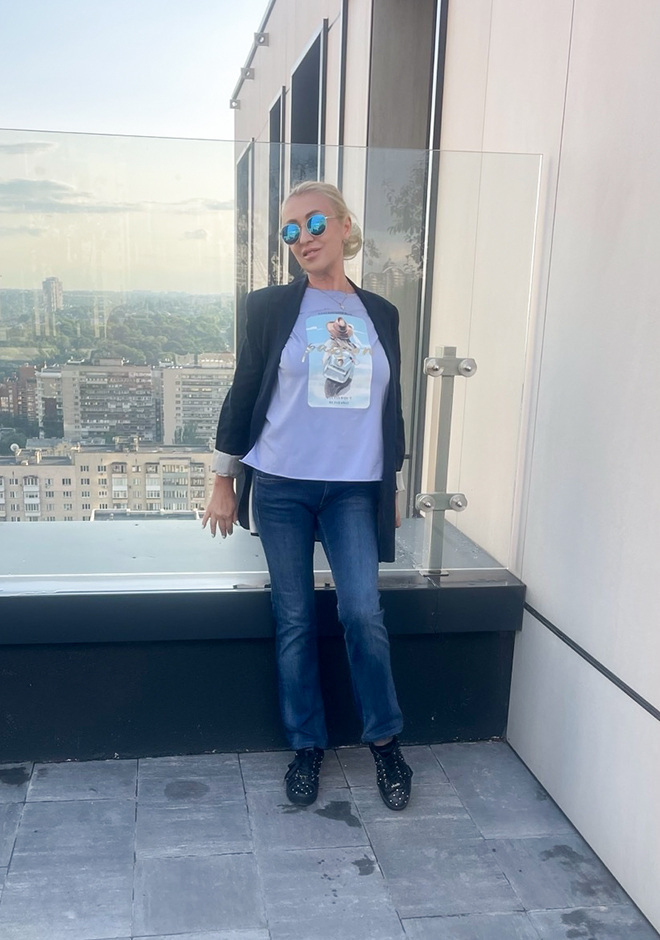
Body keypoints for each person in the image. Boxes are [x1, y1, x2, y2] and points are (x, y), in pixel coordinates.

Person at [202, 181, 413, 811]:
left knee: (362, 613)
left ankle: (386, 743)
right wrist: (222, 480)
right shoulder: (270, 307)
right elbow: (244, 390)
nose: (303, 238)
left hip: (353, 489)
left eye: (315, 222)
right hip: (281, 486)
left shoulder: (381, 312)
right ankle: (307, 746)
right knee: (293, 618)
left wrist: (392, 481)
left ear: (346, 225)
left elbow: (390, 404)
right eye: (290, 230)